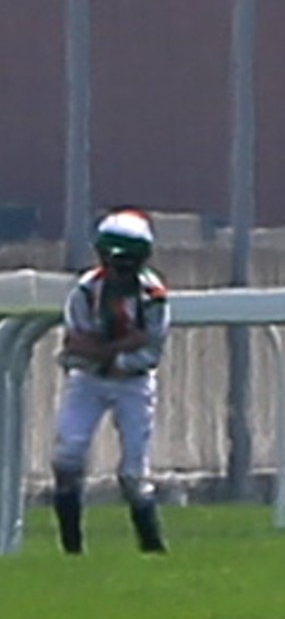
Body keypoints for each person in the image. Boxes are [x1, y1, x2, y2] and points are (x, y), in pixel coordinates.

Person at [51, 208, 169, 555]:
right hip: (88, 381)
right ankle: (72, 550)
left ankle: (152, 548)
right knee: (67, 457)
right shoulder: (85, 291)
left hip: (134, 384)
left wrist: (104, 354)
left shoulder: (153, 296)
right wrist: (120, 348)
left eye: (128, 263)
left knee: (133, 474)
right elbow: (75, 345)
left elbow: (149, 351)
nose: (120, 271)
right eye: (115, 262)